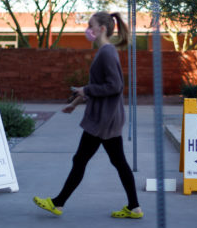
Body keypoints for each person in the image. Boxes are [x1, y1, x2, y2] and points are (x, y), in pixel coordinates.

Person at [33, 11, 143, 219]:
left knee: (81, 159)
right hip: (107, 118)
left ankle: (58, 203)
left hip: (103, 120)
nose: (88, 30)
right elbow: (98, 85)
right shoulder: (106, 51)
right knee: (117, 162)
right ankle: (134, 207)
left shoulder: (107, 53)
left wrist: (87, 91)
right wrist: (75, 102)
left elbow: (115, 86)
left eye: (91, 25)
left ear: (102, 29)